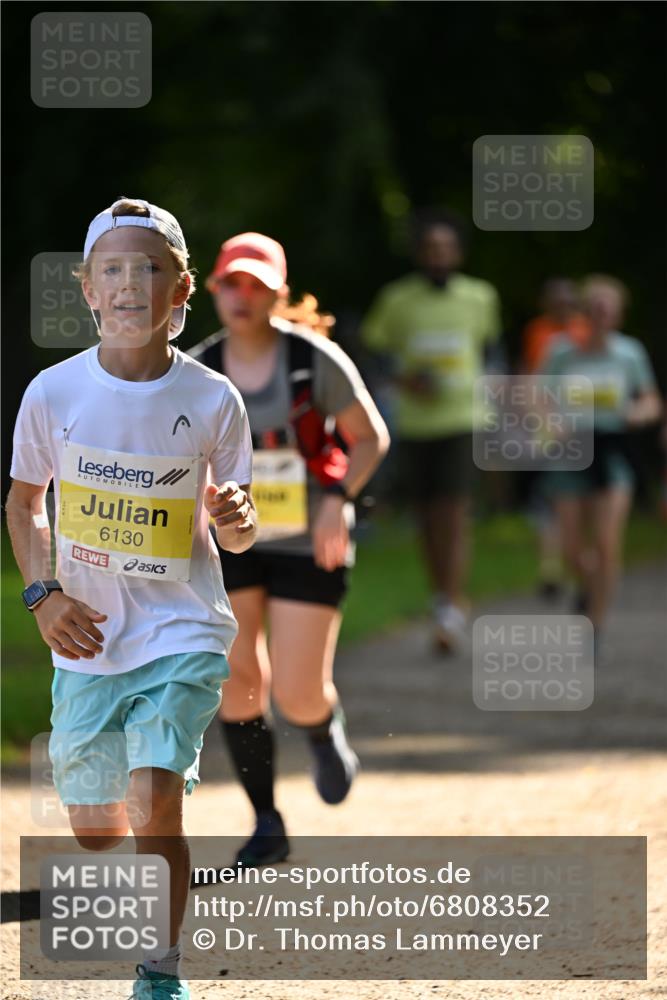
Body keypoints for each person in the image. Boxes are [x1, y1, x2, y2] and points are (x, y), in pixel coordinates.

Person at [6, 198, 257, 1000]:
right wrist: (42, 593)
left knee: (153, 800)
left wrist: (237, 518)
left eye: (146, 268)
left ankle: (160, 971)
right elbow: (22, 503)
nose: (127, 284)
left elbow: (244, 527)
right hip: (87, 638)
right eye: (110, 268)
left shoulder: (215, 398)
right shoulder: (53, 392)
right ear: (86, 288)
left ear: (181, 290)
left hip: (182, 628)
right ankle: (148, 775)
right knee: (94, 829)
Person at [189, 231, 389, 868]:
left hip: (309, 537)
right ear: (214, 290)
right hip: (230, 537)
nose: (242, 296)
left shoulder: (312, 359)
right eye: (231, 283)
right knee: (238, 679)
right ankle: (267, 822)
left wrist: (338, 498)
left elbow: (369, 439)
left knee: (299, 690)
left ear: (277, 292)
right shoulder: (196, 370)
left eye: (256, 284)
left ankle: (320, 728)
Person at [361, 208, 502, 650]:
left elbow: (491, 351)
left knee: (454, 513)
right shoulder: (397, 300)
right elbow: (374, 352)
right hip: (416, 422)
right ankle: (441, 596)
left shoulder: (480, 297)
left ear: (458, 253)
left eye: (446, 248)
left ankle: (451, 604)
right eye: (431, 248)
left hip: (463, 419)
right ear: (421, 254)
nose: (439, 255)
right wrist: (407, 381)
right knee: (426, 515)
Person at [542, 274, 661, 634]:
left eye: (607, 311)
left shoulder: (629, 353)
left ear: (618, 316)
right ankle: (587, 584)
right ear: (583, 312)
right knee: (573, 550)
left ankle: (597, 624)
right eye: (593, 310)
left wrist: (640, 412)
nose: (600, 317)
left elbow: (651, 399)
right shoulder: (561, 352)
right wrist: (551, 423)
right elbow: (537, 396)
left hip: (613, 450)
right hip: (572, 450)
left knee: (608, 543)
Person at [520, 278, 591, 599]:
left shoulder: (586, 331)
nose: (561, 307)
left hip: (585, 426)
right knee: (549, 499)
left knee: (581, 500)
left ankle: (581, 568)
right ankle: (551, 568)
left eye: (567, 301)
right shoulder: (537, 332)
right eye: (555, 301)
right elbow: (528, 377)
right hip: (548, 428)